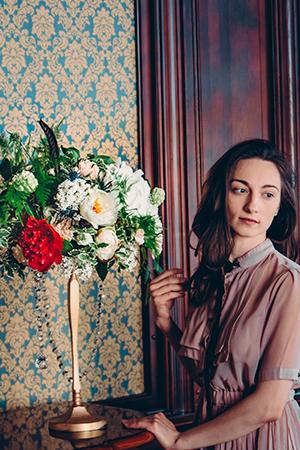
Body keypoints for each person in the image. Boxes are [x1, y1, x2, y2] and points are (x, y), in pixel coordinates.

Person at [122, 139, 300, 449]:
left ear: (279, 207)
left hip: (262, 439)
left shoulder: (286, 281)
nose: (253, 205)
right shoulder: (213, 273)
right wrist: (166, 322)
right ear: (222, 196)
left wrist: (181, 440)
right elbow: (211, 378)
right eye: (240, 189)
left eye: (267, 194)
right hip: (212, 432)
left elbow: (270, 404)